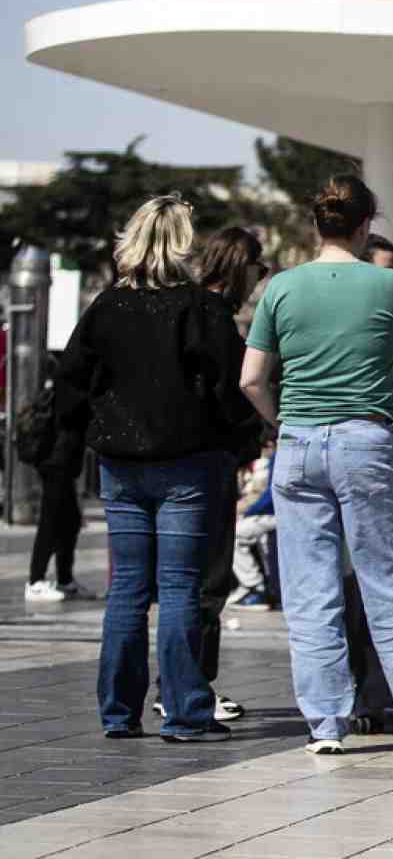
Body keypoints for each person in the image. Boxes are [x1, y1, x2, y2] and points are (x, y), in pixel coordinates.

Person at [239, 174, 393, 754]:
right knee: (388, 584)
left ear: (315, 223)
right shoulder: (388, 285)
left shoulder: (281, 287)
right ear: (363, 225)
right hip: (364, 442)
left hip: (297, 444)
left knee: (309, 590)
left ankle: (326, 724)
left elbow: (251, 378)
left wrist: (285, 422)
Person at [54, 195, 257, 741]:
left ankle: (118, 712)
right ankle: (187, 712)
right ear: (183, 244)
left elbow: (71, 384)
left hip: (119, 463)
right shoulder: (200, 309)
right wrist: (239, 441)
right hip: (186, 464)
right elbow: (230, 389)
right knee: (179, 588)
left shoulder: (105, 307)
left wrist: (82, 436)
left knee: (127, 590)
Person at [149, 227, 268, 727]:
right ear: (242, 267)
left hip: (168, 460)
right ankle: (190, 687)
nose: (261, 281)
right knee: (207, 582)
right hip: (209, 461)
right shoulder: (217, 320)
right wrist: (251, 434)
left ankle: (171, 686)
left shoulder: (178, 308)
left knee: (173, 581)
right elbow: (231, 395)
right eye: (259, 270)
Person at [23, 356, 91, 604]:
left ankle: (65, 579)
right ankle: (35, 581)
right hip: (55, 462)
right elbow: (70, 414)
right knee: (50, 522)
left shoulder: (68, 382)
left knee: (70, 521)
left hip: (62, 461)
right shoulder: (68, 385)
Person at [229, 446, 276, 610]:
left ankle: (256, 588)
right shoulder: (248, 466)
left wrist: (246, 511)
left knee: (233, 535)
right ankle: (250, 587)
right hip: (260, 515)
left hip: (270, 515)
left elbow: (265, 497)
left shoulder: (266, 462)